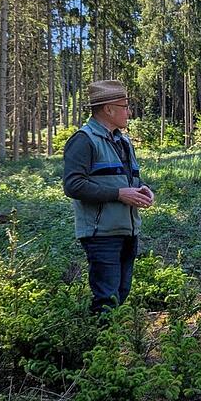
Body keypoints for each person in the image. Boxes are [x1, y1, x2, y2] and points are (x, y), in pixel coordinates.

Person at [63, 79, 153, 314]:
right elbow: (73, 185)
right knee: (107, 299)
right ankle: (99, 344)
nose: (129, 112)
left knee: (121, 293)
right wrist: (119, 194)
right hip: (101, 234)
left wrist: (142, 189)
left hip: (128, 230)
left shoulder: (123, 141)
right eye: (124, 106)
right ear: (108, 109)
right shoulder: (83, 140)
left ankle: (110, 345)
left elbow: (126, 178)